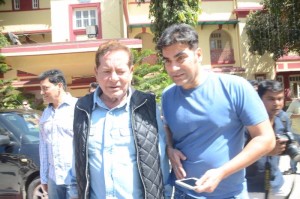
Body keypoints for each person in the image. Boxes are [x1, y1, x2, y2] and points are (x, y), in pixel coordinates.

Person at [156, 23, 275, 198]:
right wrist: (170, 149)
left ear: (198, 55)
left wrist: (222, 172)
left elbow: (266, 139)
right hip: (183, 194)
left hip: (229, 195)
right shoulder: (168, 96)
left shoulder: (235, 87)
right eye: (168, 61)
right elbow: (167, 128)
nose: (173, 68)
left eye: (180, 58)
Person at [70, 40, 171, 199]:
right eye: (106, 71)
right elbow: (77, 166)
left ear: (131, 72)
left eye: (120, 71)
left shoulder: (147, 108)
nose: (113, 78)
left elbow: (161, 165)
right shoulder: (82, 109)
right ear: (96, 72)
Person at [246, 80, 293, 199]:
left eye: (280, 98)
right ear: (259, 99)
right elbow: (236, 154)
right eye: (271, 99)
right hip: (251, 187)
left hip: (276, 184)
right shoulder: (247, 124)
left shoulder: (281, 120)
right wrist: (266, 151)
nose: (276, 103)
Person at [38, 69, 78, 199]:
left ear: (59, 86)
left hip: (75, 179)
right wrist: (44, 177)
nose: (42, 92)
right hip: (53, 179)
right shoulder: (46, 113)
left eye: (45, 88)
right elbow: (43, 146)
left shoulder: (78, 108)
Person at [284, 97, 300, 174]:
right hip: (295, 132)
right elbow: (287, 114)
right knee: (294, 151)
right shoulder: (294, 104)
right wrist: (298, 115)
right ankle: (293, 169)